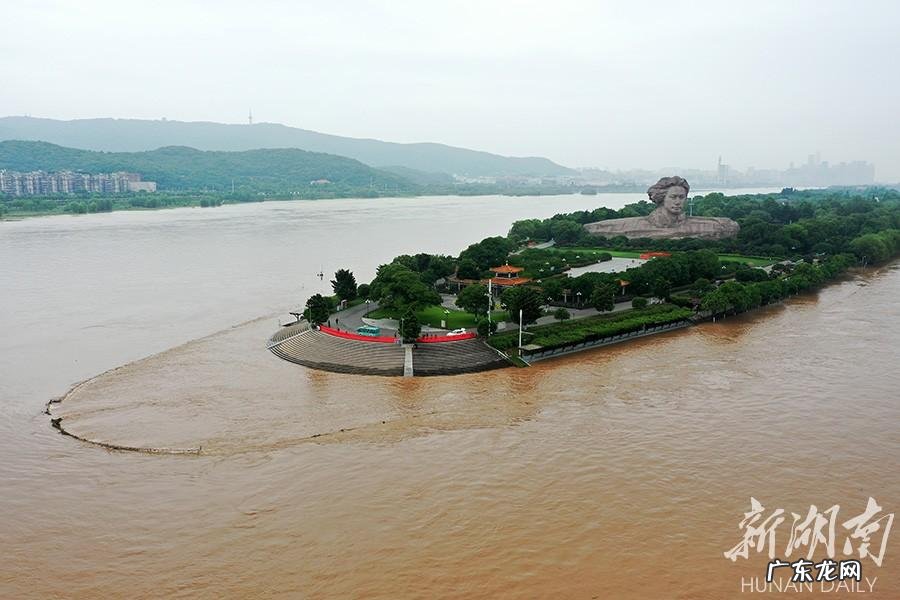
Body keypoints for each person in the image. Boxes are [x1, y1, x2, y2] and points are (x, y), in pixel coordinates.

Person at [583, 176, 739, 240]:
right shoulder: (632, 225)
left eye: (681, 197)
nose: (678, 202)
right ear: (662, 198)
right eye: (673, 197)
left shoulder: (712, 224)